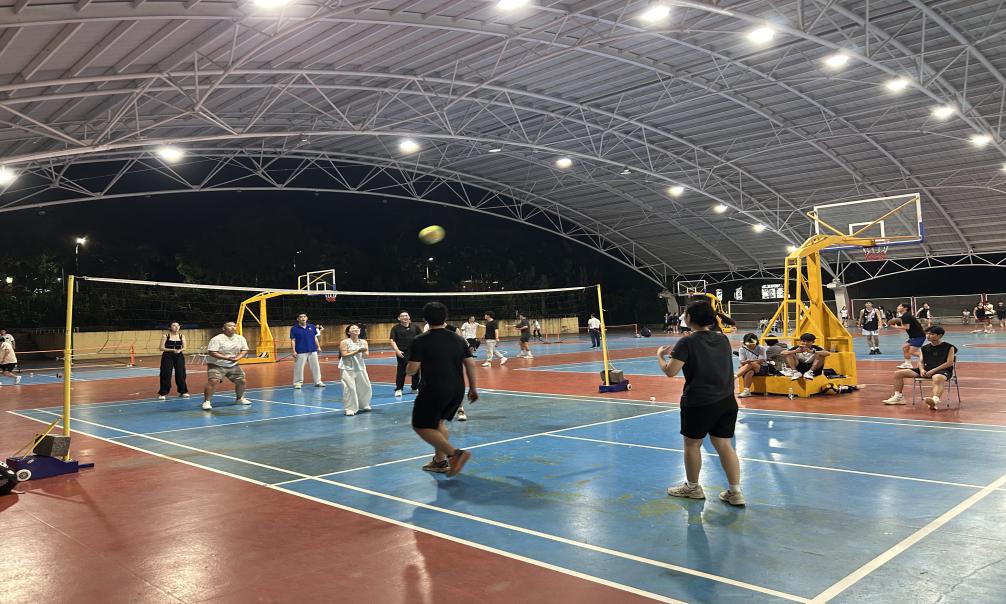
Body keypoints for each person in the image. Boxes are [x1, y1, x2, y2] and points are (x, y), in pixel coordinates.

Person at [658, 300, 744, 506]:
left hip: (699, 402)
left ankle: (693, 488)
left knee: (692, 445)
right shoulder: (722, 339)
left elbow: (670, 371)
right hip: (726, 401)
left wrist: (660, 356)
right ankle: (735, 492)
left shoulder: (687, 342)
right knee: (724, 445)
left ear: (689, 318)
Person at [406, 302, 479, 477]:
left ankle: (454, 454)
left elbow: (412, 370)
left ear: (425, 319)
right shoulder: (458, 338)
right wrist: (473, 388)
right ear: (445, 318)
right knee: (438, 424)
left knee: (421, 426)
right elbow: (470, 364)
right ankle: (439, 462)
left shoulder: (420, 340)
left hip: (434, 389)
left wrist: (408, 368)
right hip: (457, 389)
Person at [883, 325, 957, 409]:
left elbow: (949, 363)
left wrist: (933, 371)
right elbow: (921, 361)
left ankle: (934, 401)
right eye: (927, 334)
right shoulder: (925, 348)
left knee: (937, 378)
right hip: (926, 370)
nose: (928, 336)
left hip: (943, 370)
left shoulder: (949, 347)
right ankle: (898, 397)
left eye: (932, 334)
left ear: (939, 335)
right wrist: (921, 369)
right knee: (898, 373)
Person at [203, 321, 251, 410]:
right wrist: (226, 358)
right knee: (213, 381)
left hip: (233, 364)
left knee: (242, 381)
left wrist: (238, 357)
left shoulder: (240, 338)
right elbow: (212, 352)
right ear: (224, 329)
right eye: (230, 326)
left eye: (234, 326)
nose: (233, 328)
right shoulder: (217, 339)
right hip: (216, 364)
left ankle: (240, 399)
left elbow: (244, 350)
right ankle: (207, 402)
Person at [339, 324, 372, 416]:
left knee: (366, 386)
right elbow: (344, 355)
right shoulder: (344, 342)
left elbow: (366, 355)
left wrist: (364, 351)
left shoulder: (364, 342)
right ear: (348, 332)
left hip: (360, 367)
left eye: (357, 328)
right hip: (347, 368)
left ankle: (364, 404)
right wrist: (357, 351)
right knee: (349, 388)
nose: (356, 329)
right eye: (353, 328)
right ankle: (350, 408)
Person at [389, 311, 422, 396]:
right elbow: (392, 340)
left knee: (415, 371)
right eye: (402, 316)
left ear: (409, 317)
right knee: (401, 371)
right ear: (399, 318)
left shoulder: (415, 326)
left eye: (406, 315)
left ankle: (414, 388)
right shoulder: (395, 328)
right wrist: (397, 350)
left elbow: (421, 338)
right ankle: (399, 389)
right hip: (402, 353)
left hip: (415, 353)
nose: (405, 317)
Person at [290, 313, 325, 389]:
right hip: (300, 351)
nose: (303, 318)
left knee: (316, 367)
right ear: (298, 319)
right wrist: (294, 351)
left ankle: (318, 382)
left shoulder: (312, 327)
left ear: (307, 318)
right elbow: (293, 340)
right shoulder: (294, 328)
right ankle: (298, 383)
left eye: (304, 316)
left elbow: (315, 337)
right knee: (299, 368)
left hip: (312, 350)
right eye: (301, 317)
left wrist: (318, 347)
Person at [157, 322, 188, 400]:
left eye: (178, 325)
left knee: (181, 373)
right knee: (166, 373)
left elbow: (185, 347)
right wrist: (172, 350)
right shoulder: (166, 336)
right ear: (170, 328)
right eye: (174, 325)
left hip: (179, 356)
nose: (176, 327)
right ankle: (163, 393)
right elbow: (161, 348)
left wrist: (180, 350)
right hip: (168, 356)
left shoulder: (182, 336)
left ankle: (183, 391)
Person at [892, 303, 926, 369]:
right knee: (905, 348)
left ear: (905, 308)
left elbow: (907, 327)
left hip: (918, 336)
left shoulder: (906, 316)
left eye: (899, 306)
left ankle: (927, 356)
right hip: (914, 336)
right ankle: (907, 364)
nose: (897, 307)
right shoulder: (905, 315)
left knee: (913, 352)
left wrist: (896, 327)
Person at [735, 333, 766, 398]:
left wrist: (749, 362)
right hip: (749, 368)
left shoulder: (761, 348)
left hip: (761, 368)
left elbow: (761, 361)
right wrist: (746, 362)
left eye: (752, 344)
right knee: (750, 372)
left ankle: (734, 377)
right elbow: (742, 362)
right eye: (748, 344)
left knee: (750, 364)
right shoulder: (742, 349)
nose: (750, 346)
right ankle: (746, 391)